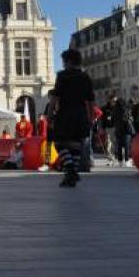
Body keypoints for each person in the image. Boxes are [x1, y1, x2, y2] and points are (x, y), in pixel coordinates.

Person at [52, 49, 95, 187]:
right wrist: (91, 118)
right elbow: (90, 101)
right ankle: (71, 177)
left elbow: (55, 96)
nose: (63, 65)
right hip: (81, 114)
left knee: (58, 143)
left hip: (66, 113)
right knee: (75, 146)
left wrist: (50, 112)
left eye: (64, 62)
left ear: (69, 61)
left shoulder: (63, 76)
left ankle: (70, 170)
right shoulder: (85, 77)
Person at [101, 95, 119, 166]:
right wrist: (102, 127)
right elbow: (102, 118)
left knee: (114, 143)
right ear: (110, 100)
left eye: (115, 101)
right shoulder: (105, 108)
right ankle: (110, 159)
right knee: (108, 143)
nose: (114, 102)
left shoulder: (117, 108)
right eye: (113, 101)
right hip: (108, 127)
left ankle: (113, 158)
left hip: (115, 127)